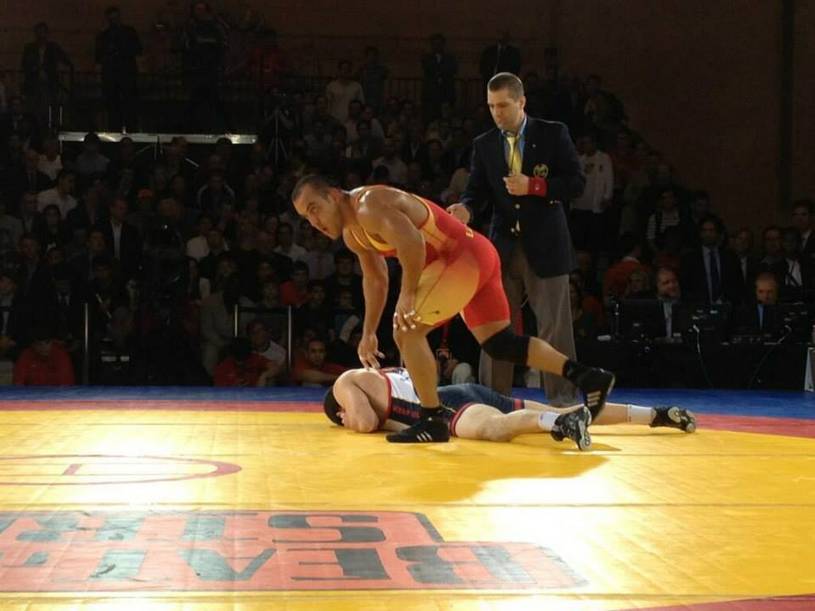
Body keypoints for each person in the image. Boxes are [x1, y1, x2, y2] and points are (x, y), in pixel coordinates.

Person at [292, 175, 613, 444]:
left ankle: (433, 420)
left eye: (315, 208)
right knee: (501, 344)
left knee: (407, 328)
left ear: (334, 195)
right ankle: (588, 376)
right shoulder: (353, 235)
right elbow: (376, 279)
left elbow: (413, 244)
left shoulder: (369, 206)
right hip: (476, 253)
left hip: (459, 258)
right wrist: (368, 332)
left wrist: (407, 296)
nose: (314, 222)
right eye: (307, 217)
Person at [448, 72, 585, 405]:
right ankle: (492, 400)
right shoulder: (484, 144)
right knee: (496, 327)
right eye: (491, 106)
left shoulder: (552, 134)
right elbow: (476, 191)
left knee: (554, 328)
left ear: (521, 102)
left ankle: (564, 401)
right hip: (503, 248)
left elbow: (576, 183)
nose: (497, 113)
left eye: (503, 105)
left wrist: (535, 186)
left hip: (546, 245)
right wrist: (466, 209)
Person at [323, 367, 697, 450]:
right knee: (557, 405)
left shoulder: (344, 382)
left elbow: (365, 422)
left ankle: (561, 424)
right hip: (460, 390)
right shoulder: (374, 376)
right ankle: (655, 415)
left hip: (445, 406)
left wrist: (347, 417)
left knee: (497, 429)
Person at [95, 6, 142, 131]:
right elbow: (99, 56)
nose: (114, 21)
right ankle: (118, 130)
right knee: (114, 108)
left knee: (128, 106)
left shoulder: (128, 32)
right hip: (113, 77)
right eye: (112, 19)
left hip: (126, 75)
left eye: (115, 18)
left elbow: (137, 50)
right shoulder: (104, 36)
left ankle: (130, 130)